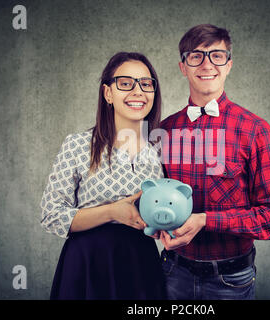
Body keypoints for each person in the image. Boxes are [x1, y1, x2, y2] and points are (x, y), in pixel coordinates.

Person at [158, 24, 270, 300]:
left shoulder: (256, 130)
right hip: (172, 274)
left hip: (230, 282)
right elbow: (151, 198)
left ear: (229, 64)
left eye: (217, 55)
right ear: (183, 66)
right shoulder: (164, 130)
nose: (207, 64)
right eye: (196, 56)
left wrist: (206, 220)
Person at [40, 52, 166, 300]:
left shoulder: (161, 150)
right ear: (108, 93)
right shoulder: (78, 145)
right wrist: (111, 211)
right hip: (87, 265)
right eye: (126, 83)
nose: (138, 91)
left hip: (141, 266)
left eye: (146, 83)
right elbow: (51, 214)